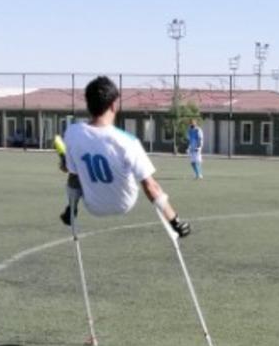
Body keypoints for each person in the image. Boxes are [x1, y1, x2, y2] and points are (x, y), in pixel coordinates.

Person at [58, 76, 190, 237]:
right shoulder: (128, 141)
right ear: (114, 105)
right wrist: (175, 221)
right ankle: (72, 208)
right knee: (140, 176)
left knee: (74, 176)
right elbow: (151, 186)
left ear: (88, 104)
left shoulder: (72, 132)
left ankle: (71, 208)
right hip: (124, 203)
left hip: (94, 206)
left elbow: (69, 169)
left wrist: (64, 160)